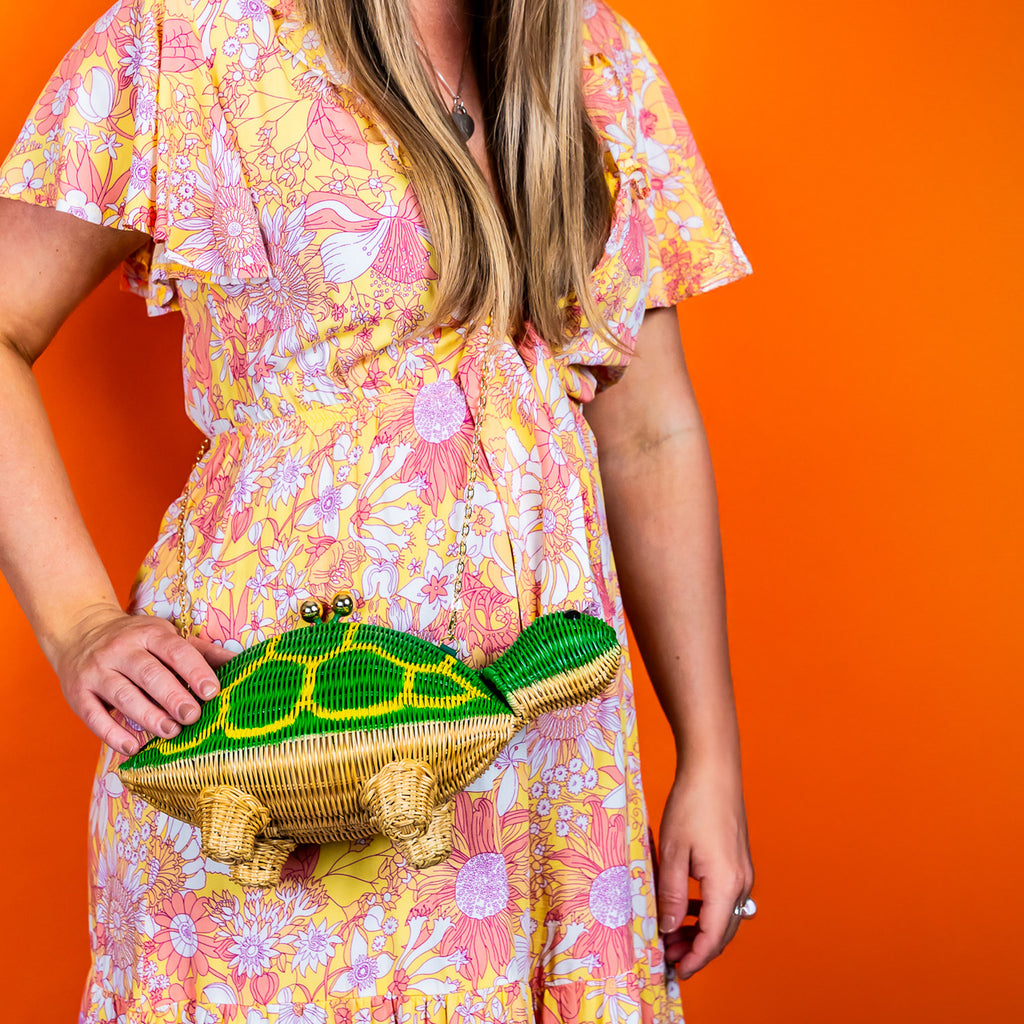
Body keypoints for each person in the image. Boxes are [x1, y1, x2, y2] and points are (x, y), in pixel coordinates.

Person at [0, 0, 755, 1019]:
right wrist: (79, 624)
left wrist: (706, 755)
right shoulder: (196, 36)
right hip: (277, 744)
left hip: (547, 762)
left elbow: (647, 433)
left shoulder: (595, 58)